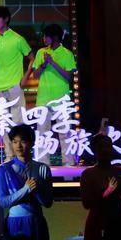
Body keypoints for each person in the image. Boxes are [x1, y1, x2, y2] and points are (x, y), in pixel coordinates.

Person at [0, 124, 53, 240]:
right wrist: (26, 189)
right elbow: (3, 202)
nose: (18, 146)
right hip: (14, 221)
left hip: (36, 221)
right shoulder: (4, 169)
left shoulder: (42, 168)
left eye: (23, 141)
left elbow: (48, 202)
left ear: (31, 143)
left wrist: (36, 190)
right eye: (15, 142)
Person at [80, 133, 121, 240]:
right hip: (97, 222)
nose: (106, 150)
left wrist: (120, 189)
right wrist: (107, 192)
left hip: (119, 221)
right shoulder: (88, 174)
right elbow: (86, 204)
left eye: (109, 146)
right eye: (102, 147)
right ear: (94, 150)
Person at [0, 6, 30, 162]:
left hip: (15, 86)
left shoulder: (18, 39)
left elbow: (32, 57)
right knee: (3, 123)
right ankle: (9, 155)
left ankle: (21, 155)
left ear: (6, 19)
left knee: (18, 122)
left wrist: (25, 78)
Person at [31, 24, 77, 164]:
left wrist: (52, 62)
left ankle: (68, 164)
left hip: (61, 100)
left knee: (64, 132)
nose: (44, 39)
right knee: (42, 133)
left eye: (46, 36)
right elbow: (35, 75)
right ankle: (43, 163)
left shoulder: (67, 53)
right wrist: (44, 64)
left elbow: (68, 76)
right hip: (43, 99)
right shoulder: (41, 52)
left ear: (55, 37)